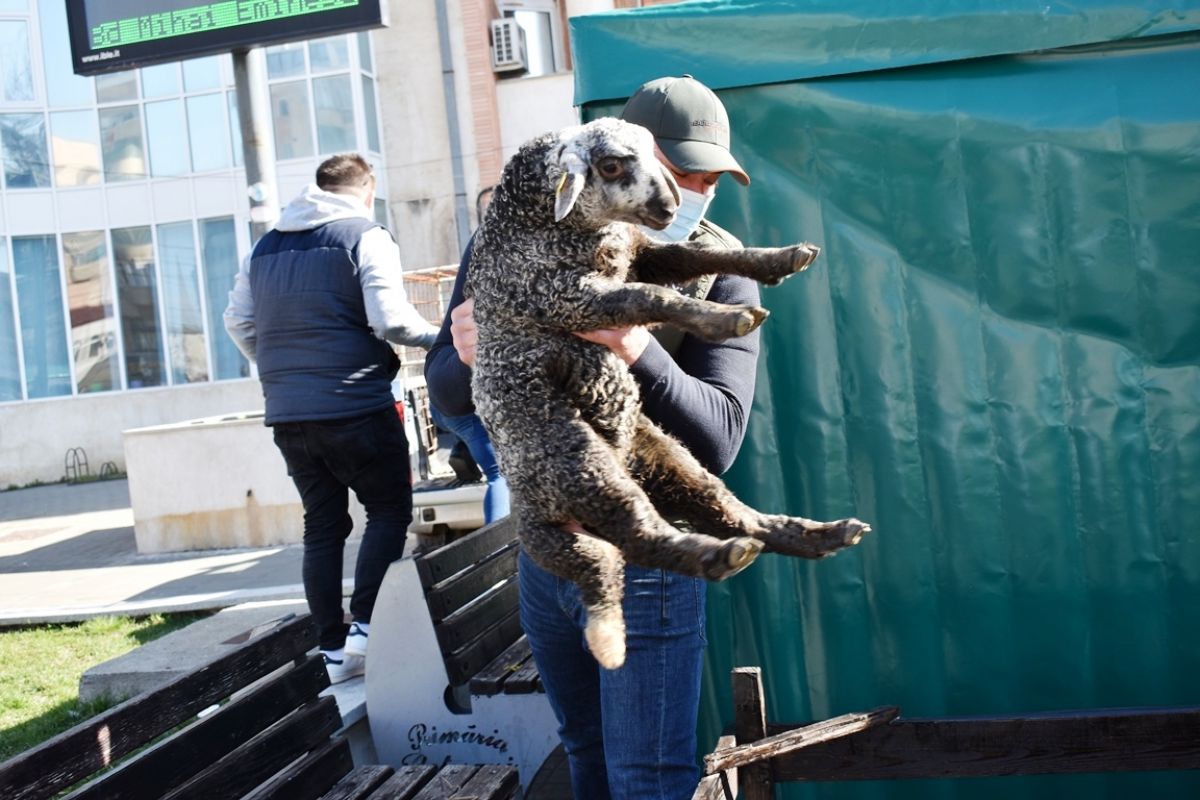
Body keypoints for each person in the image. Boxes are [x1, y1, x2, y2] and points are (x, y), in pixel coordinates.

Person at [425, 74, 757, 798]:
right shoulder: (516, 237)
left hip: (648, 564)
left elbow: (719, 439)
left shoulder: (720, 273)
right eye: (675, 171)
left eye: (708, 181)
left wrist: (633, 342)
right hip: (548, 554)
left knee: (646, 777)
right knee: (587, 754)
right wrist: (470, 355)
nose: (688, 193)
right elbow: (444, 389)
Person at [224, 153, 439, 684]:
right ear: (368, 191)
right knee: (388, 511)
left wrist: (284, 371)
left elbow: (238, 322)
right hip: (356, 404)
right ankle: (364, 627)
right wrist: (443, 340)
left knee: (322, 526)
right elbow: (390, 320)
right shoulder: (366, 235)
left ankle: (331, 650)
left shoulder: (263, 248)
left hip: (289, 415)